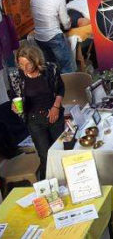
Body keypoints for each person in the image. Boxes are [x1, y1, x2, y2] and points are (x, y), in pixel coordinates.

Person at [9, 45, 65, 180]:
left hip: (54, 114)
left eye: (28, 63)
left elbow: (60, 89)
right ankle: (50, 187)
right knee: (45, 156)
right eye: (21, 64)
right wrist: (14, 106)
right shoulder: (16, 76)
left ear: (36, 60)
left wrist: (55, 108)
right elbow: (14, 96)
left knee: (60, 151)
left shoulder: (50, 68)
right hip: (34, 119)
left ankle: (69, 181)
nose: (24, 67)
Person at [30, 0, 75, 73]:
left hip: (39, 38)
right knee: (66, 66)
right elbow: (66, 23)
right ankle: (68, 87)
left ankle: (55, 86)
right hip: (53, 36)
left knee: (51, 66)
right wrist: (69, 23)